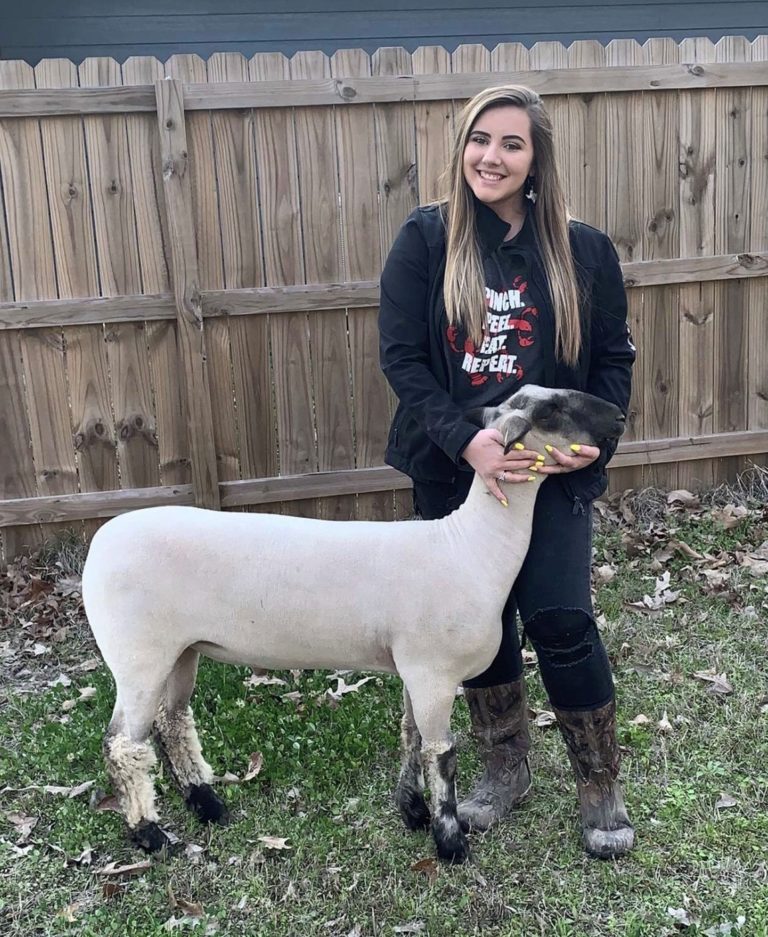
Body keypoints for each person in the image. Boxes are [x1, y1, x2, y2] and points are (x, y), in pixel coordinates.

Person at [378, 85, 636, 859]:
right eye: (479, 139)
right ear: (463, 147)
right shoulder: (426, 240)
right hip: (451, 464)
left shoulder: (583, 250)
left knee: (560, 617)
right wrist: (469, 443)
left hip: (546, 473)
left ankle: (599, 783)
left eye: (512, 144)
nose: (491, 156)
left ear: (536, 160)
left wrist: (598, 439)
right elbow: (404, 361)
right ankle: (504, 765)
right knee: (476, 628)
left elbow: (614, 359)